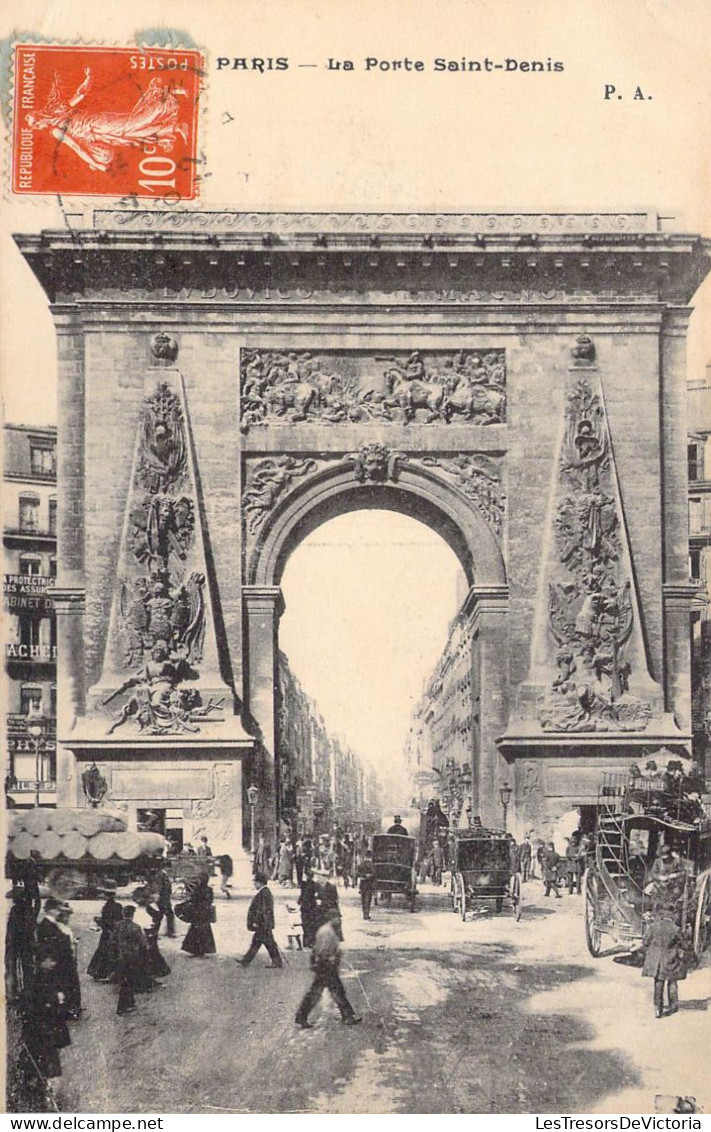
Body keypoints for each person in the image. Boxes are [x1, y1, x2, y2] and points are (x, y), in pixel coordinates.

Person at [295, 910, 361, 1029]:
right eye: (338, 918)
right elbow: (323, 950)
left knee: (330, 991)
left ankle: (348, 1016)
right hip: (326, 966)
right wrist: (331, 959)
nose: (340, 920)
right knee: (333, 992)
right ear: (331, 918)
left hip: (325, 966)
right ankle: (348, 1016)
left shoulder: (327, 930)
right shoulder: (327, 932)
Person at [642, 904, 687, 1018]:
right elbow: (684, 945)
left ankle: (658, 1009)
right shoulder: (676, 929)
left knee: (658, 983)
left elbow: (645, 942)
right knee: (672, 981)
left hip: (656, 961)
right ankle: (673, 1006)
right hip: (670, 959)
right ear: (672, 915)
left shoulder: (653, 926)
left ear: (662, 914)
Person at [236, 872, 283, 967]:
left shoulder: (263, 893)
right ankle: (246, 961)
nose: (254, 884)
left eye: (255, 882)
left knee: (266, 944)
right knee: (260, 943)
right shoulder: (265, 892)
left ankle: (276, 962)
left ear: (260, 882)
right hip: (264, 923)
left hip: (262, 924)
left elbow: (262, 910)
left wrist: (257, 922)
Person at [115, 906, 149, 1016]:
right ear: (132, 915)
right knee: (129, 980)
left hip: (121, 956)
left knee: (124, 980)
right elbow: (143, 944)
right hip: (133, 957)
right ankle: (123, 1007)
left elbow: (112, 939)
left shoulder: (118, 926)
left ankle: (130, 1002)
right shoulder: (135, 927)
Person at [87, 888, 123, 982]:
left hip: (107, 932)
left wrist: (98, 921)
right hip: (115, 931)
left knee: (103, 951)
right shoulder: (118, 906)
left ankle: (100, 973)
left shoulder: (106, 908)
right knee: (114, 952)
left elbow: (106, 922)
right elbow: (119, 920)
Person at [181, 874, 216, 957]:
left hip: (197, 913)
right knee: (205, 932)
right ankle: (204, 950)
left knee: (195, 932)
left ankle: (195, 950)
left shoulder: (198, 889)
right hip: (205, 914)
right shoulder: (209, 889)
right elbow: (211, 900)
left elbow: (194, 900)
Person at [299, 868, 321, 948]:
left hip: (305, 907)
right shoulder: (315, 884)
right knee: (312, 924)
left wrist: (299, 902)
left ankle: (305, 942)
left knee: (305, 924)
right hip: (312, 907)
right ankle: (312, 941)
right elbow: (318, 895)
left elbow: (302, 895)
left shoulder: (303, 884)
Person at [156, 867, 176, 937]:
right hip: (163, 900)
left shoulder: (164, 874)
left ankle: (155, 932)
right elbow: (160, 887)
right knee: (165, 915)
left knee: (161, 916)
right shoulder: (161, 875)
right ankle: (170, 932)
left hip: (165, 899)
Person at [356, 850, 375, 920]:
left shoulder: (361, 864)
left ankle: (364, 913)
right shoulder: (371, 865)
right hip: (369, 884)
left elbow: (357, 873)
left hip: (362, 884)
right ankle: (366, 914)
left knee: (363, 899)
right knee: (368, 899)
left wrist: (363, 876)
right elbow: (374, 874)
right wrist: (368, 876)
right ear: (370, 856)